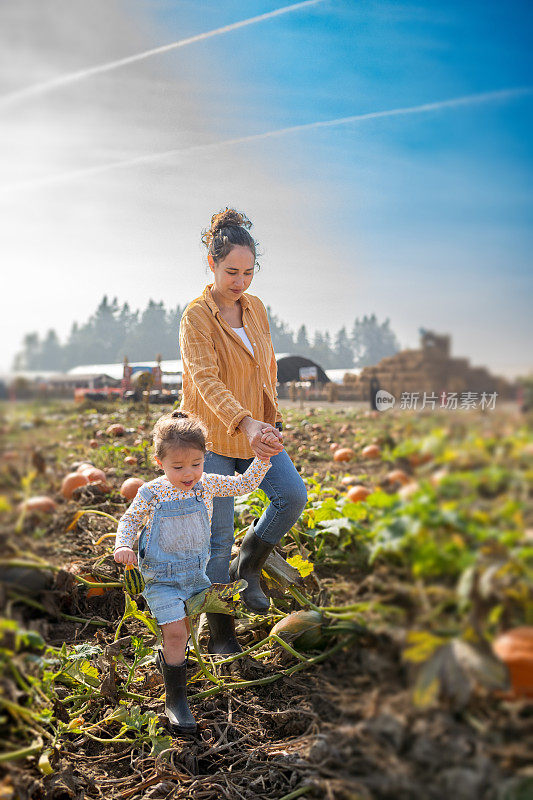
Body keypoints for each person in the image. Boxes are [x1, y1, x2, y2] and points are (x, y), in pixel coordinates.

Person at [179, 208, 308, 656]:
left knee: (291, 495)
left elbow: (266, 369)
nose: (240, 281)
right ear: (211, 265)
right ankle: (222, 635)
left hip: (256, 432)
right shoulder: (197, 316)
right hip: (213, 437)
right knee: (216, 538)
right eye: (231, 271)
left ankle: (248, 564)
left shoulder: (255, 309)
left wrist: (267, 423)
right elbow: (205, 379)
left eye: (249, 272)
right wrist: (245, 421)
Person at [113, 410, 271, 734]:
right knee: (175, 634)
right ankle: (176, 701)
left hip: (195, 576)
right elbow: (129, 521)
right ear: (160, 463)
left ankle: (171, 669)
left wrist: (263, 459)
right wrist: (123, 545)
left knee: (182, 632)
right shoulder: (152, 493)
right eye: (178, 467)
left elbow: (244, 484)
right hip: (162, 579)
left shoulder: (206, 484)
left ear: (205, 458)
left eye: (196, 464)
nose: (189, 473)